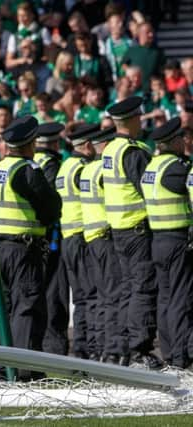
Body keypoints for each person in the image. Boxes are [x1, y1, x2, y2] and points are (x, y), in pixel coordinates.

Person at [0, 116, 61, 380]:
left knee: (5, 307)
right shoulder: (28, 169)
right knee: (27, 305)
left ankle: (2, 365)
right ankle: (24, 368)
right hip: (22, 247)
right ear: (30, 143)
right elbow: (51, 206)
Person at [103, 96, 161, 368]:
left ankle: (124, 347)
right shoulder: (132, 152)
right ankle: (140, 350)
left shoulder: (110, 149)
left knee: (127, 289)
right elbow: (148, 189)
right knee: (143, 289)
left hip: (119, 229)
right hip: (137, 229)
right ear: (133, 119)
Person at [140, 117, 193, 368]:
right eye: (182, 138)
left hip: (157, 239)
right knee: (181, 299)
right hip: (176, 239)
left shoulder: (152, 167)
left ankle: (170, 353)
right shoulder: (175, 168)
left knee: (165, 298)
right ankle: (182, 357)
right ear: (172, 142)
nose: (185, 142)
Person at [80, 126, 123, 364]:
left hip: (91, 237)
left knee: (101, 295)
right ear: (106, 146)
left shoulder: (87, 170)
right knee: (113, 294)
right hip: (106, 237)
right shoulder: (103, 171)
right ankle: (113, 348)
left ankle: (101, 346)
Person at [56, 124, 97, 360]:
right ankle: (89, 347)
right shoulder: (83, 168)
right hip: (82, 236)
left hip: (68, 237)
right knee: (90, 295)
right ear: (88, 145)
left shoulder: (65, 166)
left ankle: (81, 347)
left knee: (80, 297)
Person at [33, 122, 68, 356]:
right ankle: (54, 349)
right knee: (54, 294)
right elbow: (52, 202)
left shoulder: (33, 163)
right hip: (49, 238)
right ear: (55, 143)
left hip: (32, 238)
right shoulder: (51, 165)